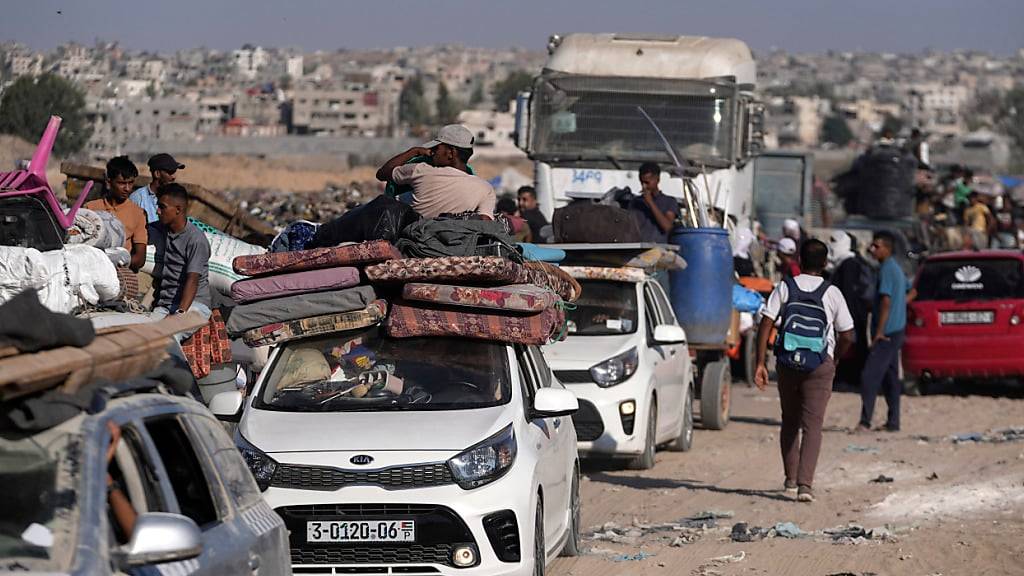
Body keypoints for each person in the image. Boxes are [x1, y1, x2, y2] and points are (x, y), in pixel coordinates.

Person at [754, 239, 855, 503]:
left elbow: (765, 323)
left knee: (789, 420)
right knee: (813, 426)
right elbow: (847, 334)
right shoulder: (832, 292)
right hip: (820, 365)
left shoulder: (785, 287)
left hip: (787, 363)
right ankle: (805, 486)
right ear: (824, 263)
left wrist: (760, 363)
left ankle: (789, 478)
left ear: (799, 259)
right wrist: (834, 360)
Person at [375, 124, 496, 219]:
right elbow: (485, 221)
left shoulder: (421, 171)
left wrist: (414, 151)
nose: (432, 152)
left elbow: (382, 174)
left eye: (436, 148)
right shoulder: (485, 189)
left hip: (412, 243)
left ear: (451, 152)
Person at [857, 231, 908, 433]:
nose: (872, 249)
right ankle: (893, 422)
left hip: (887, 332)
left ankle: (865, 421)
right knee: (890, 378)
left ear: (887, 248)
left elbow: (886, 300)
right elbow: (911, 290)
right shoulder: (896, 268)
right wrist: (900, 308)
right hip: (897, 329)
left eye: (876, 246)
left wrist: (879, 331)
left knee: (869, 376)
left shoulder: (887, 269)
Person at [148, 184, 212, 325]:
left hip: (194, 305)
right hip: (165, 305)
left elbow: (193, 279)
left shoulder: (195, 240)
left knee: (169, 336)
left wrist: (180, 313)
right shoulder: (162, 229)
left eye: (162, 207)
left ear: (178, 209)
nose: (158, 211)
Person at [85, 156, 148, 272]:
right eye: (122, 183)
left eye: (131, 183)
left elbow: (139, 259)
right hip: (92, 269)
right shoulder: (90, 208)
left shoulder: (138, 213)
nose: (127, 188)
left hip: (122, 272)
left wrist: (115, 261)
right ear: (109, 183)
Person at [828, 231, 873, 390]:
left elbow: (847, 293)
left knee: (850, 345)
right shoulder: (845, 263)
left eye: (834, 242)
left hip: (851, 313)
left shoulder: (849, 265)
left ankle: (851, 379)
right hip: (852, 312)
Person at [628, 162, 678, 243]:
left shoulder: (669, 201)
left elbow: (667, 227)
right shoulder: (635, 202)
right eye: (642, 182)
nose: (644, 186)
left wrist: (650, 202)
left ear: (657, 180)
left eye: (647, 183)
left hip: (660, 249)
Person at [130, 153, 185, 223]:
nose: (174, 177)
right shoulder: (138, 198)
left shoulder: (175, 197)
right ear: (157, 174)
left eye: (174, 172)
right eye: (170, 172)